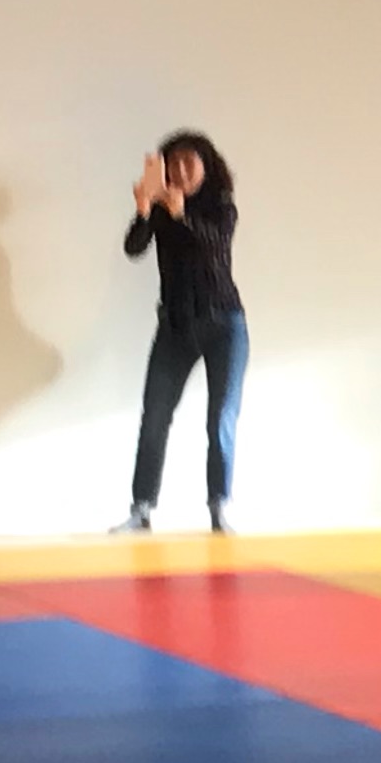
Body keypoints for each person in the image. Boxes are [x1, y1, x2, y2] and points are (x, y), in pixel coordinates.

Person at [119, 130, 244, 535]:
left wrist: (181, 214)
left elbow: (213, 245)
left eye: (190, 163)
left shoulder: (221, 208)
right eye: (173, 164)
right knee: (155, 416)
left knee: (221, 417)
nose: (182, 171)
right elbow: (133, 247)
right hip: (175, 326)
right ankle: (141, 509)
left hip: (224, 324)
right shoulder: (161, 209)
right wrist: (144, 210)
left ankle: (219, 507)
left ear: (207, 167)